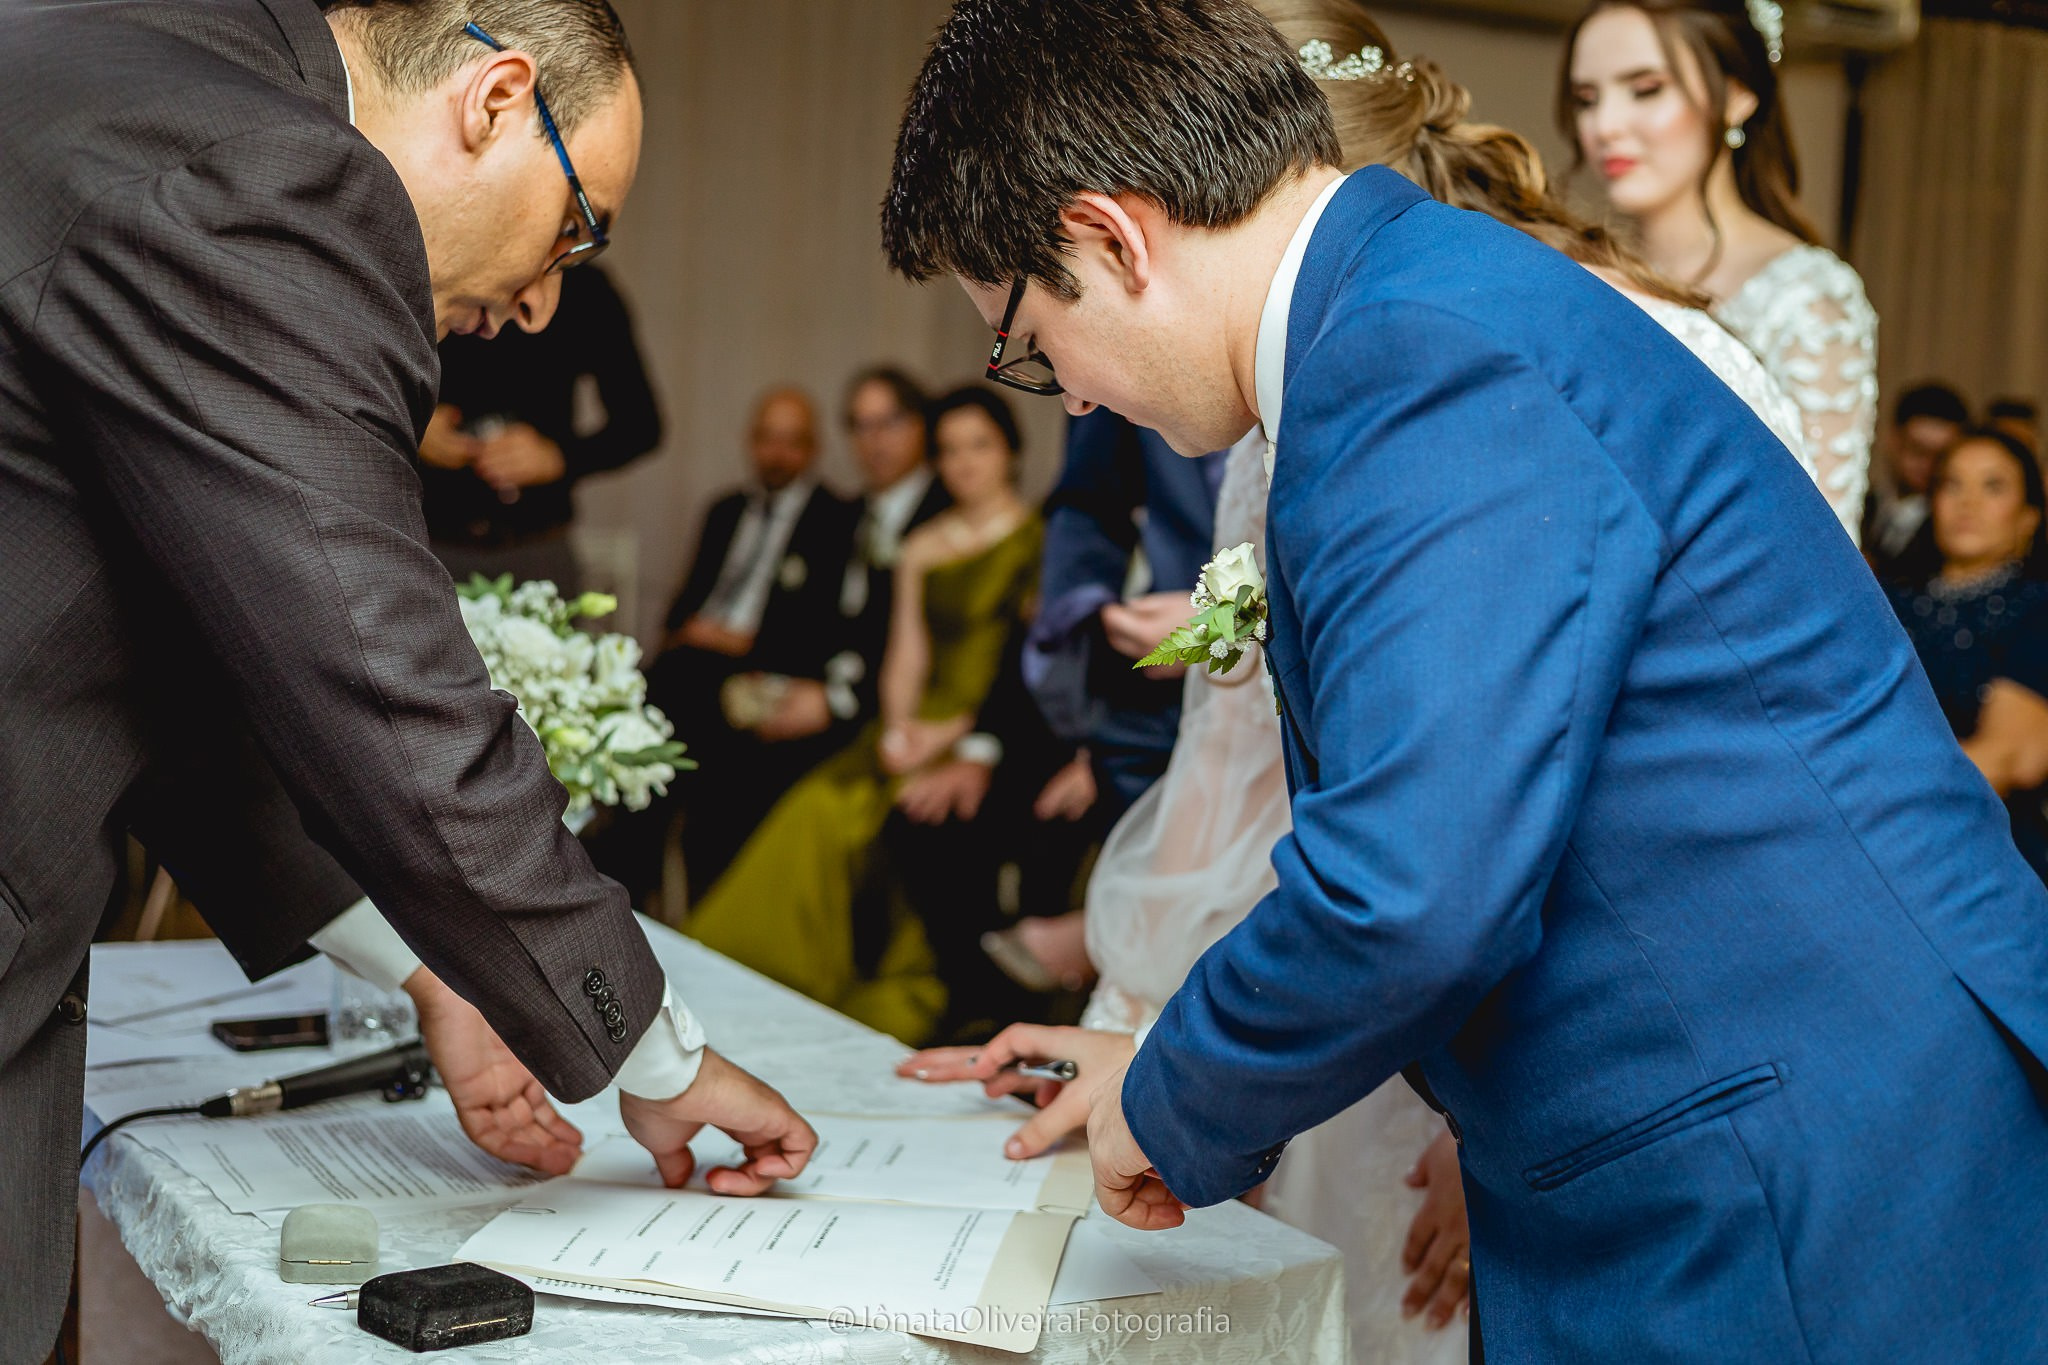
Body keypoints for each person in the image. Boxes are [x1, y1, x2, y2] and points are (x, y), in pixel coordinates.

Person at [882, 2, 2048, 1360]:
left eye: (1027, 344)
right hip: (1765, 1102)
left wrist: (1178, 1093)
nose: (1068, 396)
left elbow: (1418, 883)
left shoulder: (1408, 351)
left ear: (1114, 235)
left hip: (1799, 1153)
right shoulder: (1404, 306)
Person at [0, 3, 818, 1353]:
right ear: (497, 97)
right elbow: (382, 687)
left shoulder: (139, 57)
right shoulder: (266, 174)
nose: (551, 296)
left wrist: (446, 976)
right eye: (578, 229)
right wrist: (652, 1055)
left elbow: (191, 665)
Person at [686, 387, 1044, 1044]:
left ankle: (915, 988)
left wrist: (954, 732)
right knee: (818, 808)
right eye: (949, 449)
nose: (963, 462)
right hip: (912, 721)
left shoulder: (1037, 539)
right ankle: (770, 985)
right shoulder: (923, 543)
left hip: (974, 723)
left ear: (1011, 451)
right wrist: (901, 727)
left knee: (899, 822)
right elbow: (904, 653)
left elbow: (1020, 671)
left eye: (979, 446)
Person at [1563, 0, 1879, 541]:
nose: (1604, 126)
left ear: (1737, 95)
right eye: (1587, 99)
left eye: (1646, 90)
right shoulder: (1574, 273)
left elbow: (1823, 550)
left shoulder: (1805, 299)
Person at [586, 388, 855, 904]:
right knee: (648, 708)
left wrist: (735, 640)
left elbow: (818, 630)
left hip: (759, 669)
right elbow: (680, 607)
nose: (777, 453)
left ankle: (633, 871)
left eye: (791, 441)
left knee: (674, 734)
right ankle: (628, 874)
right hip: (692, 665)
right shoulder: (726, 510)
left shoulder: (835, 518)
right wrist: (696, 632)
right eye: (767, 439)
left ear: (813, 447)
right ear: (751, 442)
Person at [418, 262, 662, 593]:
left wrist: (558, 457)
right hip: (426, 542)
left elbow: (641, 424)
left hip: (535, 546)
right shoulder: (430, 268)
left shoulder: (584, 287)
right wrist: (412, 425)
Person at [1888, 430, 2048, 883]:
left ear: (2028, 517)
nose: (1967, 503)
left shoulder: (2036, 609)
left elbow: (2010, 756)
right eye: (1952, 484)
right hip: (1868, 833)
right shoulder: (1886, 600)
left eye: (1992, 486)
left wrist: (1869, 789)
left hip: (1981, 857)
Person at [1864, 382, 1969, 584]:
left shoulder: (1954, 525)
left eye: (1941, 457)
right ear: (1893, 441)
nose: (1928, 466)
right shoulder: (1863, 502)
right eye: (1918, 450)